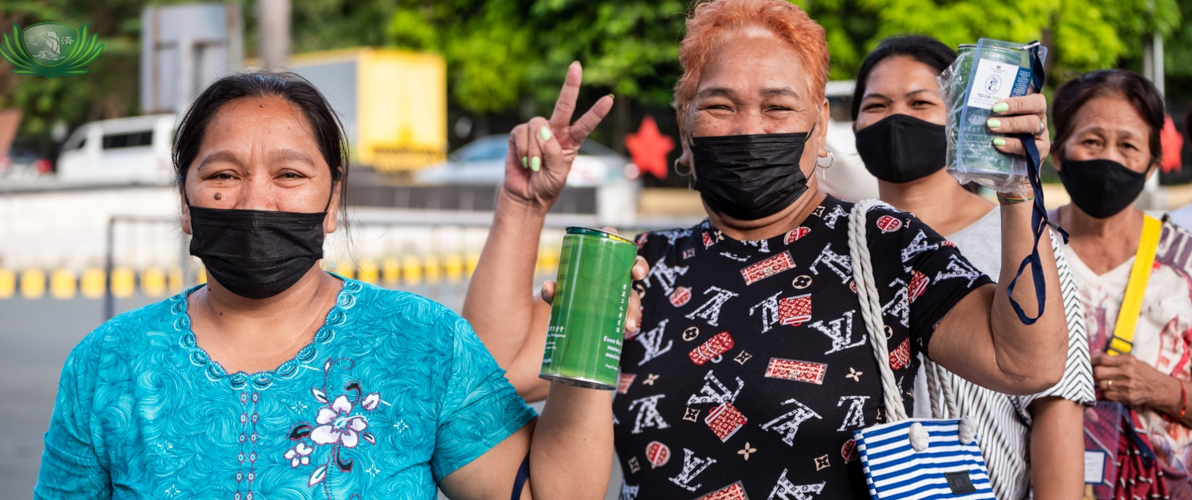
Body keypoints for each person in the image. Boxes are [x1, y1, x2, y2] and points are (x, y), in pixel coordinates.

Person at [463, 0, 1069, 497]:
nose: (749, 125)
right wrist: (523, 205)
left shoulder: (883, 245)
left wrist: (1017, 192)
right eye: (720, 107)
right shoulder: (642, 265)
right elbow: (487, 371)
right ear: (685, 130)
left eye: (778, 107)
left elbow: (1026, 364)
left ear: (817, 129)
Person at [33, 72, 615, 499]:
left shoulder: (421, 342)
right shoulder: (107, 364)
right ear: (185, 203)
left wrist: (591, 331)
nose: (255, 199)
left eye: (289, 175)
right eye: (222, 175)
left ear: (332, 201)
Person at [849, 35, 1094, 500]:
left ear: (960, 115)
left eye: (921, 102)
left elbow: (1057, 406)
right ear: (853, 121)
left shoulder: (1020, 237)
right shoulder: (843, 240)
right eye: (877, 105)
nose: (896, 118)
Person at [1049, 69, 1192, 497]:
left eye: (1128, 146)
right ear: (1057, 154)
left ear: (1150, 164)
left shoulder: (1183, 263)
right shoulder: (1023, 252)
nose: (1109, 158)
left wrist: (1164, 390)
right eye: (1092, 141)